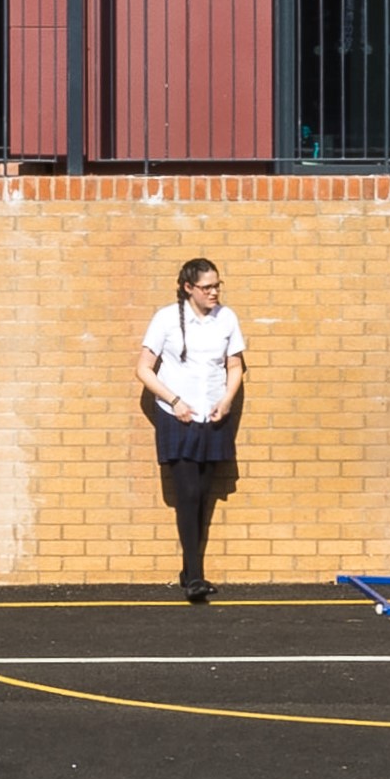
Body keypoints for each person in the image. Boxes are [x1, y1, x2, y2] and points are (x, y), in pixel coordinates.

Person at [136, 256, 248, 607]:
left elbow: (235, 366)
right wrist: (174, 400)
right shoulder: (166, 319)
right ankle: (195, 577)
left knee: (202, 493)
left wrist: (226, 400)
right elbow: (143, 369)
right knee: (187, 493)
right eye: (207, 287)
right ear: (189, 288)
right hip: (178, 416)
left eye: (217, 286)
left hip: (212, 416)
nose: (214, 292)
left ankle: (190, 571)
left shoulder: (226, 318)